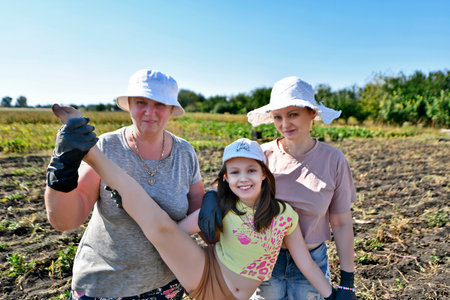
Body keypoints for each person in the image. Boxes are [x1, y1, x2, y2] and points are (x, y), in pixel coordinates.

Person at [50, 103, 338, 300]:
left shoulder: (285, 215)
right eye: (234, 172)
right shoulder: (226, 207)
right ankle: (90, 152)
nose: (243, 178)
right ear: (225, 178)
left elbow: (305, 262)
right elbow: (175, 232)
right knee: (161, 228)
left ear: (264, 173)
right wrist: (205, 207)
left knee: (161, 227)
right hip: (205, 277)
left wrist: (332, 293)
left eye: (251, 170)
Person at [45, 69, 205, 299]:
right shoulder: (106, 147)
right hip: (105, 286)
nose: (150, 112)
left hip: (167, 286)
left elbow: (198, 209)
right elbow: (65, 220)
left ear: (171, 110)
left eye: (159, 104)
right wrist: (62, 166)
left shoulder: (185, 153)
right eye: (141, 102)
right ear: (129, 104)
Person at [199, 76, 358, 299]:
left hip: (311, 260)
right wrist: (210, 197)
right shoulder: (261, 155)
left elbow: (341, 223)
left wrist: (348, 281)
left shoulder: (334, 160)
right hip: (263, 260)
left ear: (312, 113)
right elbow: (229, 182)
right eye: (278, 117)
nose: (285, 124)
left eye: (293, 114)